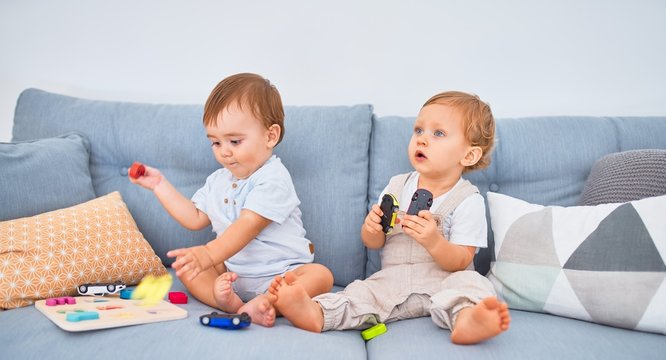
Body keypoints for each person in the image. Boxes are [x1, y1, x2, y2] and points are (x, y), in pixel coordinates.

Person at [268, 91, 510, 344]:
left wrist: (434, 242)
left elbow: (461, 260)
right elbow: (373, 242)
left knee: (472, 283)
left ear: (469, 155)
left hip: (445, 279)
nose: (423, 140)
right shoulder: (396, 186)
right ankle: (315, 312)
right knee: (362, 293)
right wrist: (371, 228)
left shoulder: (467, 199)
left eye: (438, 134)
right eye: (418, 130)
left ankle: (468, 320)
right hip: (393, 279)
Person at [130, 73, 333, 327]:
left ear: (270, 136)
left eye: (235, 141)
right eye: (215, 142)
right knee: (190, 273)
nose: (224, 151)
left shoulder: (273, 177)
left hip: (283, 275)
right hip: (235, 275)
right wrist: (160, 185)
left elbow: (248, 225)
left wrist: (208, 253)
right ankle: (230, 303)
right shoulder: (218, 180)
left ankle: (270, 302)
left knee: (321, 275)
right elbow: (194, 218)